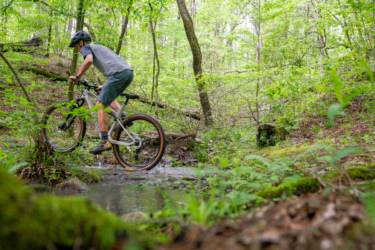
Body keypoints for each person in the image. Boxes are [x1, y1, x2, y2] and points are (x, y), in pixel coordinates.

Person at [69, 30, 134, 155]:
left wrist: (77, 76)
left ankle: (104, 141)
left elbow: (88, 61)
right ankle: (124, 118)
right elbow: (114, 64)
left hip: (118, 74)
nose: (78, 50)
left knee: (100, 105)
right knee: (106, 97)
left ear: (81, 43)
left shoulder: (87, 48)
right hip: (127, 73)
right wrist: (105, 85)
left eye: (77, 47)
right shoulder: (99, 47)